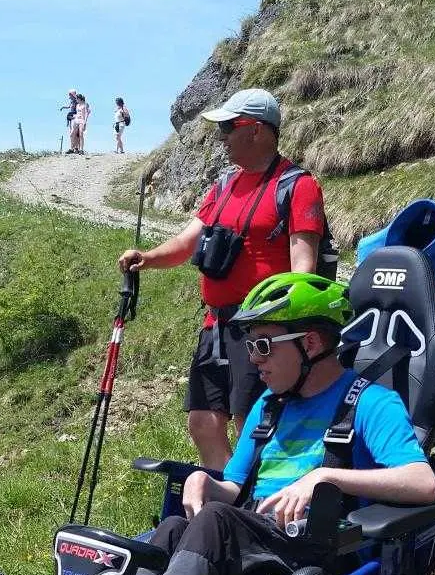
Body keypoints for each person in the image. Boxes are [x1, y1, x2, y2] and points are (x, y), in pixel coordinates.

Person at [126, 272, 435, 575]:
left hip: (315, 545)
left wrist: (324, 476)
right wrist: (202, 480)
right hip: (254, 535)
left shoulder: (372, 403)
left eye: (262, 346)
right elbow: (234, 488)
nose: (253, 360)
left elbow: (423, 483)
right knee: (173, 527)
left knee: (215, 521)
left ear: (309, 343)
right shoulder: (268, 405)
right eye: (249, 347)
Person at [116, 88, 327, 469]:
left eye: (229, 127)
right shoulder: (225, 185)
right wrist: (146, 259)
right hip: (217, 324)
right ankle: (226, 495)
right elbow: (186, 241)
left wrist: (283, 331)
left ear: (258, 130)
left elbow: (303, 269)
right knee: (203, 422)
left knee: (251, 422)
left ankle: (251, 505)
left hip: (264, 328)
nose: (222, 137)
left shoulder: (297, 185)